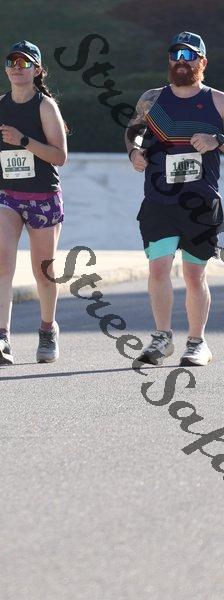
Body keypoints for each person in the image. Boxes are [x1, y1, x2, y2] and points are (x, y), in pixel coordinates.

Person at [125, 31, 224, 367]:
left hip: (200, 203)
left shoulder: (218, 101)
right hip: (159, 201)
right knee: (158, 269)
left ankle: (197, 343)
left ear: (202, 61)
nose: (181, 62)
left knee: (195, 275)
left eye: (189, 56)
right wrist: (135, 152)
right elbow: (134, 131)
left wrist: (216, 140)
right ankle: (162, 338)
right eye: (176, 55)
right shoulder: (152, 99)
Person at [0, 40, 68, 365]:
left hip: (42, 196)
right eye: (12, 62)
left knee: (43, 272)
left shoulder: (46, 107)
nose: (17, 68)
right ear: (6, 69)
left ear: (37, 70)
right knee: (3, 263)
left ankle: (47, 329)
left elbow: (60, 156)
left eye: (25, 63)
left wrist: (24, 141)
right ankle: (2, 339)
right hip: (4, 193)